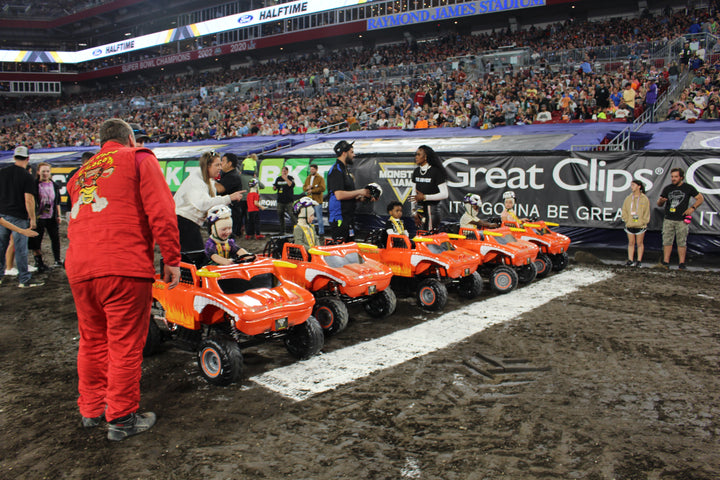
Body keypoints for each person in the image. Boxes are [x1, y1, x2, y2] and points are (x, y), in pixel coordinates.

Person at [65, 118, 180, 441]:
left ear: (102, 142)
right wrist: (171, 258)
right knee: (125, 343)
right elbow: (161, 210)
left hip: (79, 267)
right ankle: (122, 418)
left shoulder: (79, 175)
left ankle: (91, 409)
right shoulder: (139, 158)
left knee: (91, 340)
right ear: (130, 138)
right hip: (122, 264)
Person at [174, 151, 244, 251]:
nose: (220, 168)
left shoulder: (210, 181)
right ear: (207, 166)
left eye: (220, 164)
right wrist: (229, 198)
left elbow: (211, 206)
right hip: (182, 222)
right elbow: (203, 204)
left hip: (190, 223)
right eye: (217, 165)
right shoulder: (196, 181)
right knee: (195, 255)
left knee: (192, 255)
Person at [0, 146, 43, 288]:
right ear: (28, 158)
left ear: (14, 157)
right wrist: (32, 219)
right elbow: (29, 199)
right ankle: (24, 279)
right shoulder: (26, 176)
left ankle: (1, 275)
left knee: (2, 246)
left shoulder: (2, 173)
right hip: (19, 217)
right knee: (20, 249)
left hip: (3, 215)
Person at [657, 167, 704, 269]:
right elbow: (659, 204)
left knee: (681, 241)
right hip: (669, 218)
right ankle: (666, 262)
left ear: (681, 177)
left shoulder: (688, 188)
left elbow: (700, 198)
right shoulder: (668, 188)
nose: (673, 179)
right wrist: (661, 201)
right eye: (672, 177)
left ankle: (681, 263)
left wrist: (692, 208)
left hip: (681, 219)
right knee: (667, 240)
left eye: (676, 177)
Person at [327, 140, 373, 242]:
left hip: (348, 216)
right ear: (344, 153)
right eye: (351, 152)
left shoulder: (345, 170)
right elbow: (339, 195)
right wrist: (360, 191)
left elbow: (348, 195)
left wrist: (363, 198)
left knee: (350, 248)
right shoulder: (336, 170)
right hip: (340, 218)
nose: (354, 155)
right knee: (341, 251)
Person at [29, 162, 63, 271]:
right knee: (37, 240)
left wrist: (59, 215)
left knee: (55, 238)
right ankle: (39, 262)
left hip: (51, 216)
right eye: (43, 171)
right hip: (39, 217)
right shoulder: (34, 185)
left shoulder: (54, 185)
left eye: (47, 171)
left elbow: (57, 201)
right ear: (38, 172)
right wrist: (32, 218)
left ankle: (57, 260)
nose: (45, 173)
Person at [410, 145, 448, 231]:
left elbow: (445, 194)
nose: (416, 157)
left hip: (432, 209)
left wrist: (425, 197)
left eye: (418, 154)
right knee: (420, 236)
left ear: (425, 157)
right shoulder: (416, 171)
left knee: (429, 236)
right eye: (416, 154)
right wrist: (413, 211)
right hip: (420, 209)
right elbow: (413, 193)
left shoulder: (436, 171)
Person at [215, 153, 246, 237]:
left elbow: (220, 189)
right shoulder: (226, 175)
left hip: (230, 213)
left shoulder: (233, 176)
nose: (221, 163)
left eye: (223, 161)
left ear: (229, 164)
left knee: (226, 238)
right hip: (226, 211)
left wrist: (209, 178)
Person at [621, 180, 650, 267]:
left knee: (640, 243)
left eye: (633, 185)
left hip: (640, 225)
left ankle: (639, 260)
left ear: (639, 186)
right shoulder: (628, 198)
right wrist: (627, 220)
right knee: (631, 243)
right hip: (630, 224)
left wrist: (643, 221)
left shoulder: (644, 199)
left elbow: (646, 212)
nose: (631, 187)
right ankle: (630, 259)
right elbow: (624, 210)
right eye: (631, 185)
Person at [303, 164, 326, 236]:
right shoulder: (308, 178)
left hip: (317, 201)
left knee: (319, 217)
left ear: (316, 169)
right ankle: (311, 232)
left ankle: (321, 232)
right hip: (309, 201)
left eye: (312, 169)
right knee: (310, 217)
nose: (311, 171)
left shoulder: (320, 178)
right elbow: (304, 188)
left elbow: (322, 188)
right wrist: (307, 188)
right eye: (310, 169)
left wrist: (312, 190)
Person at [273, 166, 296, 234]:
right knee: (280, 215)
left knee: (291, 215)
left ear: (287, 171)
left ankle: (295, 229)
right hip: (280, 200)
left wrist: (286, 179)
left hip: (288, 200)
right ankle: (282, 230)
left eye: (285, 171)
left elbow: (291, 185)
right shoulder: (278, 178)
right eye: (283, 171)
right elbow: (275, 187)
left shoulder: (290, 178)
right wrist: (274, 187)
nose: (284, 172)